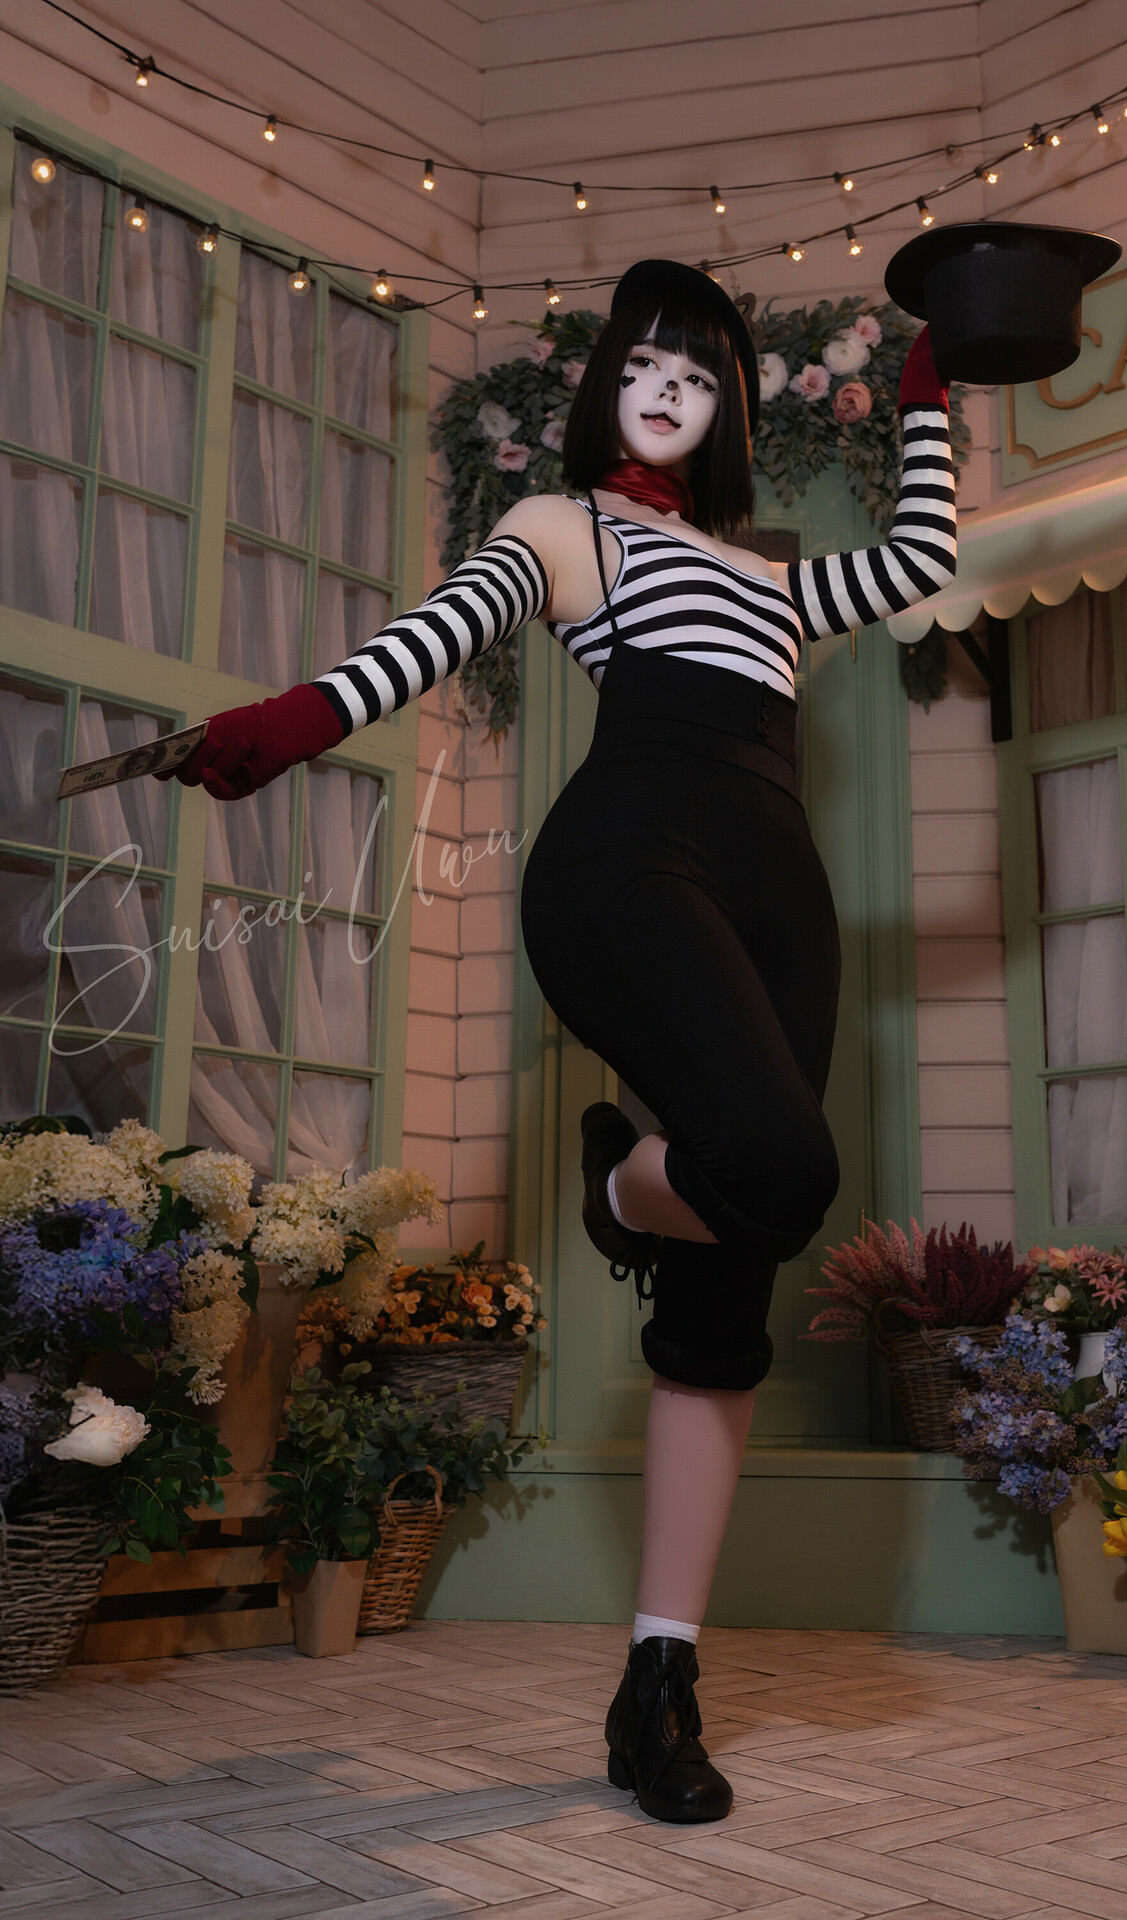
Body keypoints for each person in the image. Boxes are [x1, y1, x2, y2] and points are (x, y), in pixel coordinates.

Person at [166, 257, 956, 1824]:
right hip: (631, 857)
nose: (669, 389)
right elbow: (438, 633)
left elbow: (923, 557)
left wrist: (929, 394)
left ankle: (659, 1681)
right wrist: (294, 722)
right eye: (645, 363)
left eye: (700, 373)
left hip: (781, 889)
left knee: (738, 1271)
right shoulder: (561, 528)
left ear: (727, 410)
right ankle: (617, 1190)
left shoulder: (769, 575)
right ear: (608, 385)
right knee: (778, 1161)